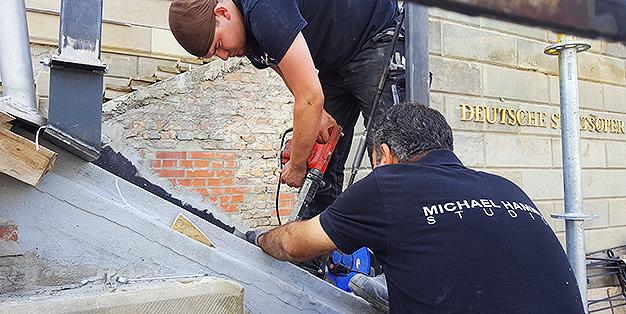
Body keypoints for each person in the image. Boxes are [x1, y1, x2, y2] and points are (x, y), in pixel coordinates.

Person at [246, 103, 585, 313]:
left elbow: (292, 243)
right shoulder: (509, 189)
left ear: (384, 155)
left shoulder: (387, 185)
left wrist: (260, 238)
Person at [168, 0, 404, 221]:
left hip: (377, 37)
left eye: (218, 45)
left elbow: (310, 98)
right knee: (322, 158)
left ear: (222, 13)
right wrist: (317, 116)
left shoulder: (264, 9)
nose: (223, 56)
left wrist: (297, 165)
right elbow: (281, 63)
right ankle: (316, 250)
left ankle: (403, 250)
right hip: (334, 62)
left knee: (392, 155)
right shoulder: (245, 33)